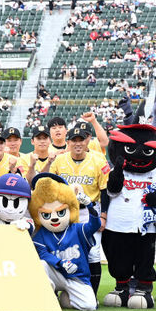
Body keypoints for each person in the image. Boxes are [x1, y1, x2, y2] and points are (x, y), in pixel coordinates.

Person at [46, 125, 110, 294]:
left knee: (93, 253)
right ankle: (61, 290)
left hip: (89, 210)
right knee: (63, 251)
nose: (77, 143)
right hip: (65, 211)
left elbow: (104, 190)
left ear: (86, 141)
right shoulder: (59, 161)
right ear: (68, 142)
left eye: (81, 140)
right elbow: (50, 186)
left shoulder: (98, 161)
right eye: (74, 140)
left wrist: (103, 216)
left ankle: (92, 294)